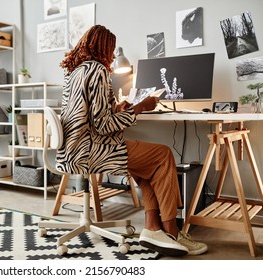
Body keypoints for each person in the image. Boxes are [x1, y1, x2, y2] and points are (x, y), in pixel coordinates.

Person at [55, 24, 208, 257]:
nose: (112, 56)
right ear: (104, 48)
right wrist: (138, 108)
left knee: (148, 167)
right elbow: (103, 125)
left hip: (73, 149)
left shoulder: (75, 72)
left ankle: (153, 228)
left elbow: (91, 115)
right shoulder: (97, 71)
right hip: (92, 150)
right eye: (111, 50)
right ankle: (171, 231)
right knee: (163, 155)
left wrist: (118, 107)